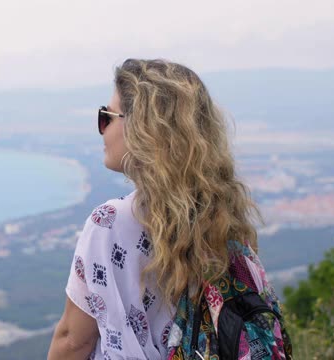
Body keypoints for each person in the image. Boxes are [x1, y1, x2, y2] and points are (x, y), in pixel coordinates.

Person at [47, 59, 287, 360]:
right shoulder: (223, 216)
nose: (102, 129)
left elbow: (72, 339)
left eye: (107, 116)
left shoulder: (110, 222)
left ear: (143, 128)